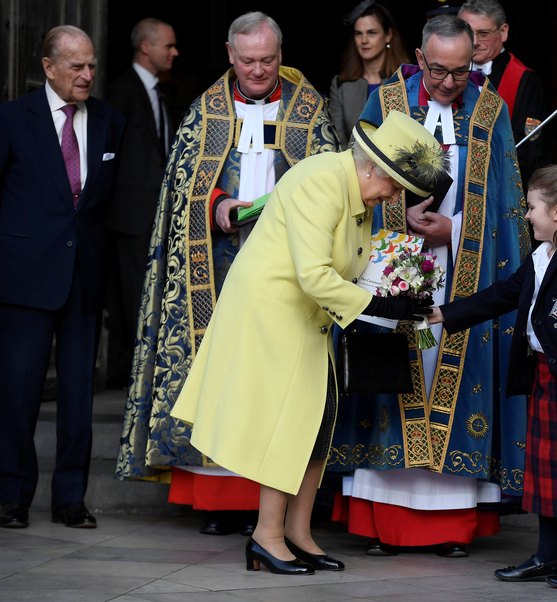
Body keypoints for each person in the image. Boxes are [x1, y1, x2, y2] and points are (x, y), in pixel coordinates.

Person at [170, 111, 448, 575]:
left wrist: (397, 291)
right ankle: (266, 536)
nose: (395, 197)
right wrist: (380, 307)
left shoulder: (354, 192)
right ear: (371, 169)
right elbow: (315, 274)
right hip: (274, 311)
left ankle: (297, 532)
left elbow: (350, 266)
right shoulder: (321, 182)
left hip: (308, 314)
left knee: (319, 420)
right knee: (290, 422)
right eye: (395, 186)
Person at [115, 11, 338, 537]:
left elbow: (330, 179)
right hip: (217, 266)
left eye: (267, 60)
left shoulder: (309, 110)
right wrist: (215, 205)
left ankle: (275, 511)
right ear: (230, 55)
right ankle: (220, 496)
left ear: (280, 54)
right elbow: (182, 189)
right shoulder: (205, 111)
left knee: (277, 381)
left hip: (286, 269)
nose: (258, 71)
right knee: (227, 374)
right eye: (247, 60)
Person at [327, 14, 530, 558]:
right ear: (418, 57)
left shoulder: (491, 112)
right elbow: (356, 182)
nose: (446, 83)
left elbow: (509, 208)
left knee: (452, 374)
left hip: (462, 275)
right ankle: (384, 524)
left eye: (461, 72)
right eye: (437, 70)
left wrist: (455, 229)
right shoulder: (385, 102)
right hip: (395, 265)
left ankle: (450, 528)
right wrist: (399, 221)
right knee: (397, 378)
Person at [434, 164, 557, 590]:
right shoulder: (541, 256)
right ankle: (547, 556)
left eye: (532, 208)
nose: (527, 215)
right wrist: (444, 313)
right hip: (544, 376)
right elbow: (504, 294)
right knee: (546, 472)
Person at [0, 26, 125, 529]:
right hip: (24, 277)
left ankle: (70, 498)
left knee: (78, 394)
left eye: (91, 64)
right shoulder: (12, 118)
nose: (87, 75)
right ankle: (12, 495)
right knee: (18, 390)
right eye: (75, 66)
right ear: (49, 67)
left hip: (84, 276)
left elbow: (109, 205)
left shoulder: (110, 121)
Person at [104, 18, 178, 390]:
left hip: (152, 215)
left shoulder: (158, 93)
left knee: (144, 295)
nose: (175, 52)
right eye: (168, 46)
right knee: (132, 297)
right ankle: (134, 377)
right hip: (130, 217)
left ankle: (133, 372)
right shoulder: (122, 91)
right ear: (146, 48)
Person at [459, 0, 549, 188]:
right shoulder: (445, 72)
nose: (474, 42)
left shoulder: (525, 81)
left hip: (500, 187)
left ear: (503, 31)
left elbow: (531, 151)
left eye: (483, 33)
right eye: (467, 32)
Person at [329, 1, 409, 150]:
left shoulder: (407, 80)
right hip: (351, 167)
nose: (364, 40)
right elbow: (338, 142)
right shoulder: (340, 85)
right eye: (359, 33)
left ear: (388, 35)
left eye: (372, 33)